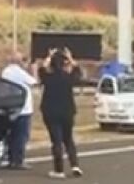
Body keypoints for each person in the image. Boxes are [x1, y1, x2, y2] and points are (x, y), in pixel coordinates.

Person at [40, 48, 83, 179]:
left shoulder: (48, 78)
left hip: (51, 113)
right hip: (68, 112)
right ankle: (75, 165)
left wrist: (49, 57)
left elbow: (41, 69)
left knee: (56, 141)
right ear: (65, 64)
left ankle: (59, 170)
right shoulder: (68, 78)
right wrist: (70, 59)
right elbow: (78, 72)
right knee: (68, 139)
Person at [1, 51, 37, 170]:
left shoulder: (6, 71)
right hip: (23, 109)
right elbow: (33, 82)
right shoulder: (19, 72)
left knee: (11, 135)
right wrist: (33, 69)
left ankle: (11, 159)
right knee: (21, 135)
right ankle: (18, 160)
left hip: (10, 107)